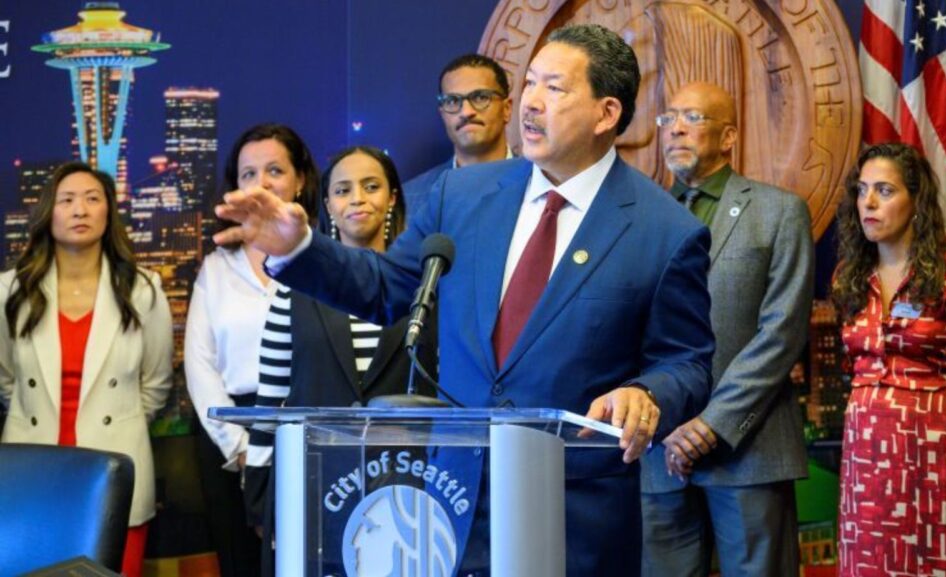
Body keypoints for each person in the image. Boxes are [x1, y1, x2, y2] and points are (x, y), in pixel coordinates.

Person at [214, 23, 714, 576]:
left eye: (556, 88)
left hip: (574, 518)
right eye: (530, 84)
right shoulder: (462, 196)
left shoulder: (665, 230)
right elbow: (386, 289)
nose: (531, 102)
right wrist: (301, 250)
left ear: (606, 113)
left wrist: (648, 392)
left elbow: (687, 362)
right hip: (449, 499)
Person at [243, 145, 438, 576]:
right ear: (328, 203)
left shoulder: (425, 291)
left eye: (372, 186)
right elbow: (271, 402)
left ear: (392, 199)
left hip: (409, 494)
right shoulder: (292, 291)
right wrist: (260, 500)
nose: (358, 198)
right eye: (343, 189)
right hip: (313, 488)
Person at [642, 82, 812, 577]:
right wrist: (666, 420)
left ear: (729, 136)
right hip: (658, 451)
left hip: (750, 450)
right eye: (668, 118)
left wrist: (711, 425)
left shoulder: (779, 212)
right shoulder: (640, 216)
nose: (674, 127)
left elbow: (782, 334)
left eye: (692, 118)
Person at [831, 142, 946, 575]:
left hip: (942, 457)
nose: (869, 203)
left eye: (884, 190)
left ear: (917, 202)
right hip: (867, 459)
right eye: (861, 191)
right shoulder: (848, 278)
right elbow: (849, 367)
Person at [0, 161, 173, 577]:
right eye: (67, 200)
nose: (80, 210)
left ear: (108, 212)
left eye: (93, 199)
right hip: (33, 469)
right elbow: (6, 380)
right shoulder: (10, 289)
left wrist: (115, 421)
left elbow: (157, 385)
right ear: (48, 213)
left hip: (112, 474)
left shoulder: (143, 289)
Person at [184, 123, 320, 577]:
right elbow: (200, 366)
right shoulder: (217, 268)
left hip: (310, 431)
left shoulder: (326, 259)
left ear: (300, 180)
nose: (260, 184)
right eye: (247, 174)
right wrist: (240, 447)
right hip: (232, 432)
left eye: (274, 170)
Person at [403, 53, 514, 214]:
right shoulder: (410, 200)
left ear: (506, 109)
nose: (466, 112)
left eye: (480, 97)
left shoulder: (542, 186)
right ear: (442, 114)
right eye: (453, 101)